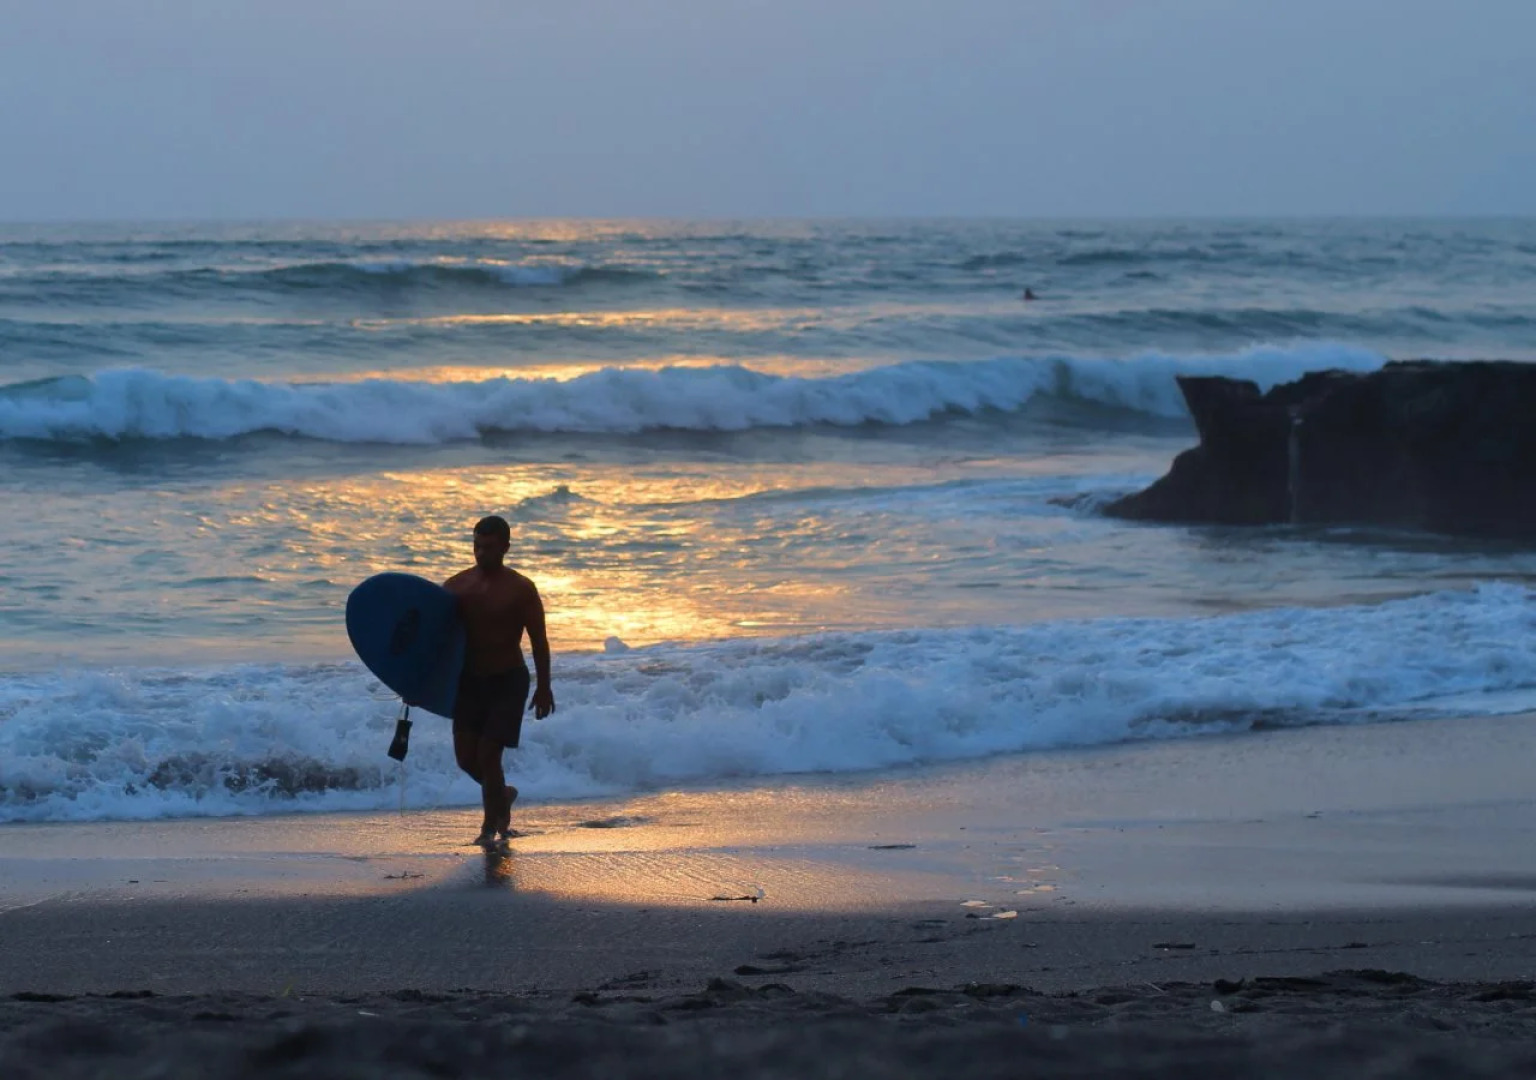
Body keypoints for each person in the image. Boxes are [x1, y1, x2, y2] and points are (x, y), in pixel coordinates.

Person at [443, 515, 555, 847]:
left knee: (489, 755)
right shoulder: (455, 587)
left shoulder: (521, 589)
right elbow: (435, 640)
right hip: (469, 683)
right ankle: (502, 795)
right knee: (467, 759)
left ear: (506, 547)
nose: (481, 553)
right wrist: (414, 682)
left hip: (508, 681)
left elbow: (539, 640)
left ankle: (490, 826)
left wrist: (544, 686)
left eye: (489, 547)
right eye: (476, 546)